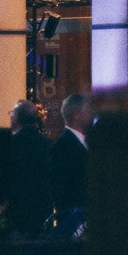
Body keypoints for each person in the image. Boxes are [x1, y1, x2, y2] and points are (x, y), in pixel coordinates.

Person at [6, 99, 53, 236]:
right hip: (43, 209)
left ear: (15, 119)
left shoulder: (10, 145)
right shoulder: (47, 144)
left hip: (18, 211)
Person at [48, 92, 90, 237]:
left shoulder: (88, 142)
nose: (91, 114)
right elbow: (60, 186)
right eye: (88, 110)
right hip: (73, 220)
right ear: (76, 114)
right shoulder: (62, 145)